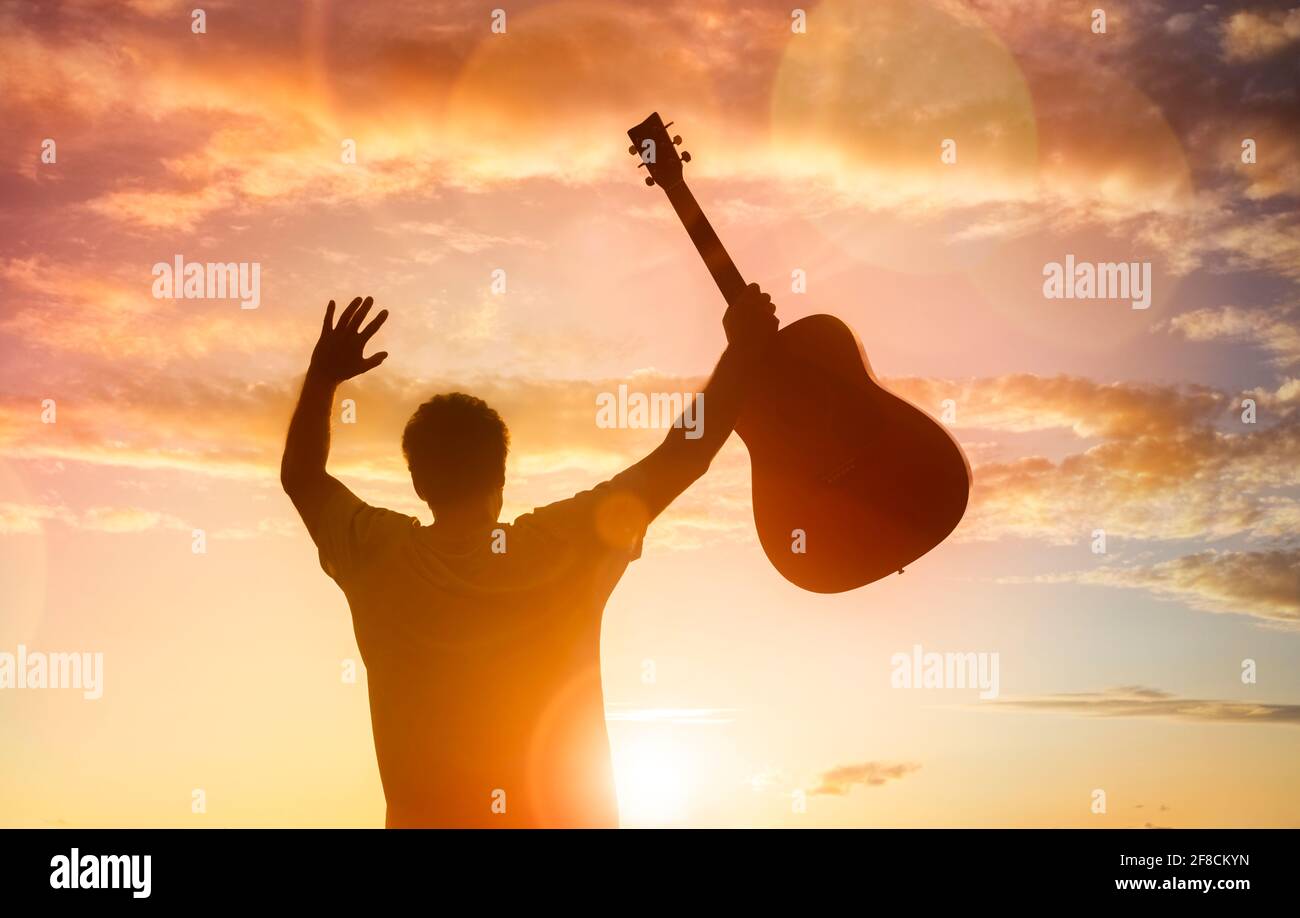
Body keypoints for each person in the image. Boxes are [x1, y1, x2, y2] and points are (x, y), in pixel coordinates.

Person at [280, 287, 777, 827]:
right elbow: (685, 453)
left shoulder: (376, 553)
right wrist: (742, 352)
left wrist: (324, 376)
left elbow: (301, 476)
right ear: (500, 479)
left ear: (419, 482)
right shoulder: (566, 545)